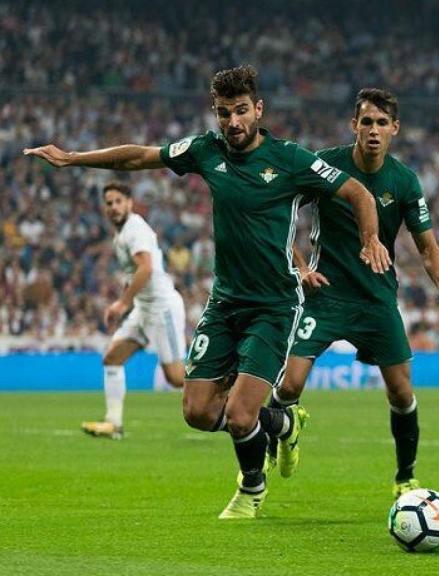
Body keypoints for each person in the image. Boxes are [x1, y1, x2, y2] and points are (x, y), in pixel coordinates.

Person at [24, 65, 390, 519]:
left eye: (240, 111)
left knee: (239, 414)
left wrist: (370, 239)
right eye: (223, 113)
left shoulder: (292, 159)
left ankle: (251, 489)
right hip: (225, 302)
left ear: (258, 109)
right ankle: (282, 422)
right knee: (197, 412)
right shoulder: (205, 150)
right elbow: (139, 156)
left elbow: (358, 193)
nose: (232, 122)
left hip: (274, 305)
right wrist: (73, 158)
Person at [271, 88, 439, 495]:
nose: (373, 130)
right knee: (288, 386)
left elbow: (428, 247)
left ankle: (405, 475)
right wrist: (300, 267)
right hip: (326, 296)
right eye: (366, 121)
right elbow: (280, 213)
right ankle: (284, 437)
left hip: (377, 299)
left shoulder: (404, 180)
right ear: (353, 125)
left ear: (395, 129)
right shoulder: (326, 165)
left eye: (381, 123)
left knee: (401, 390)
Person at [80, 181, 186, 440]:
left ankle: (233, 383)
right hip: (143, 308)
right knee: (112, 358)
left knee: (175, 378)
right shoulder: (122, 232)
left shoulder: (134, 229)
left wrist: (121, 303)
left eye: (119, 201)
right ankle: (113, 424)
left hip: (162, 310)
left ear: (129, 203)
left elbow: (146, 269)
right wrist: (127, 301)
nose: (114, 207)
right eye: (109, 203)